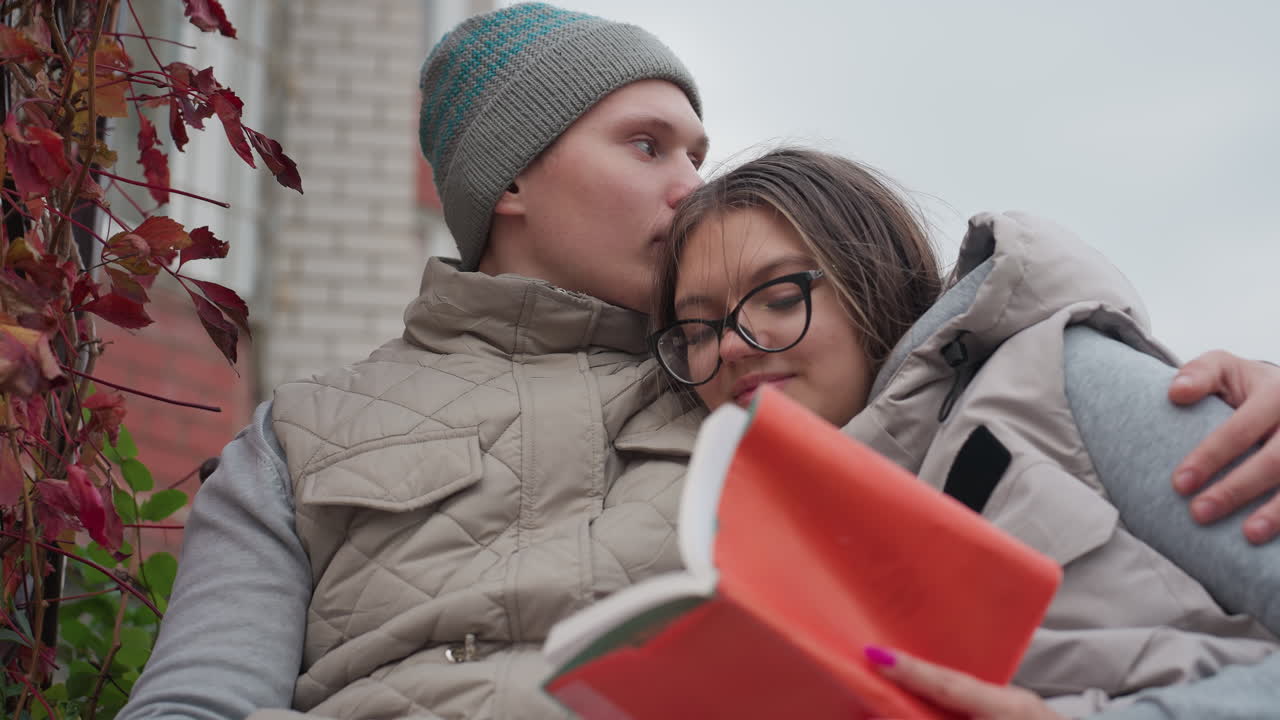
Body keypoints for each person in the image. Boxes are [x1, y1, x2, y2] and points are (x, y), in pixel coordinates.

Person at [118, 4, 1280, 719]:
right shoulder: (301, 433)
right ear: (509, 182)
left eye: (697, 149)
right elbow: (195, 700)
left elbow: (968, 356)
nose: (688, 183)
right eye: (644, 145)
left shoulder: (793, 387)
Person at [648, 146, 1280, 718]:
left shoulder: (1064, 380)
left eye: (780, 296)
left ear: (871, 278)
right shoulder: (753, 554)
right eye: (697, 330)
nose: (731, 345)